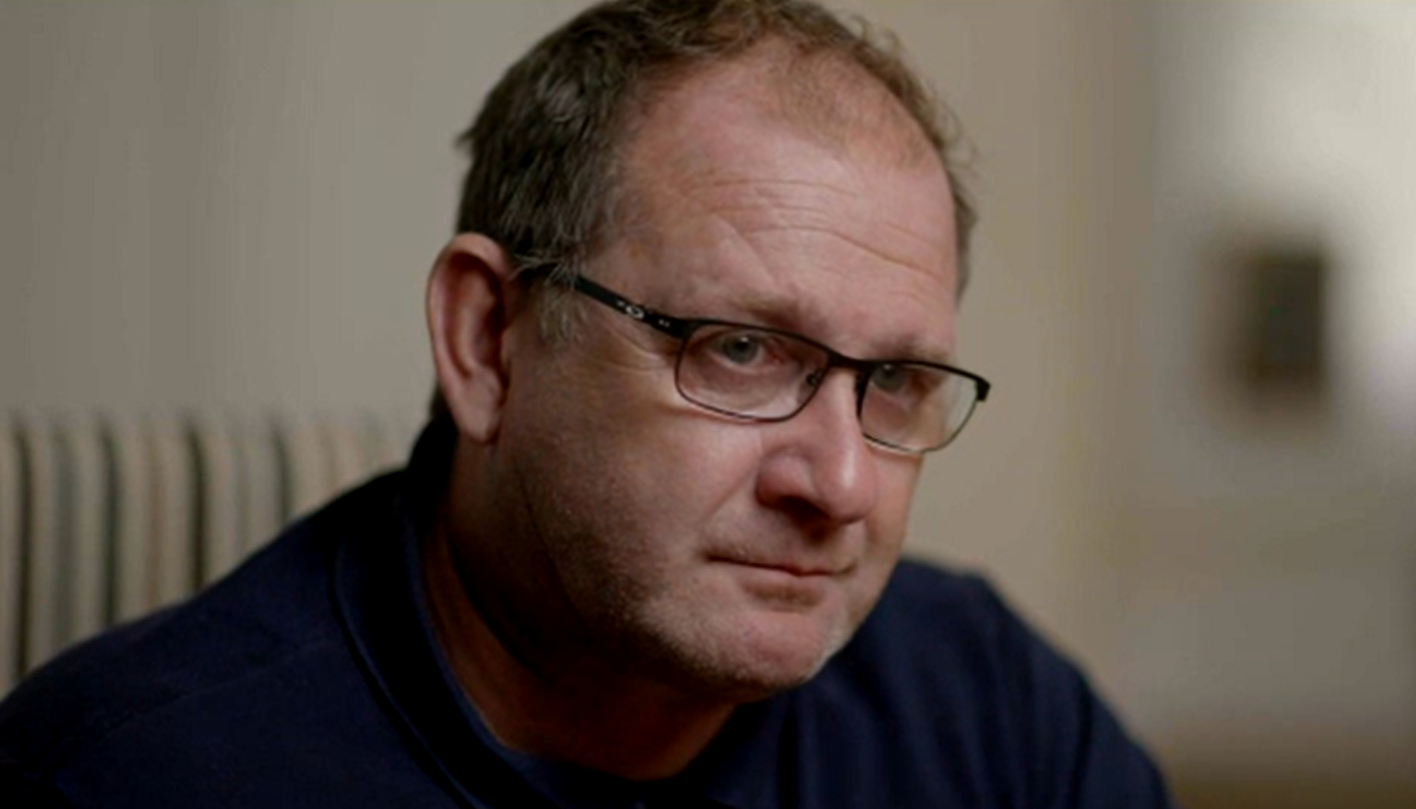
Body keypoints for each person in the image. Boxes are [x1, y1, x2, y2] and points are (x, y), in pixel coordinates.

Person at [0, 1, 1174, 806]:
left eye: (899, 381)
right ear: (487, 341)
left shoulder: (991, 712)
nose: (842, 484)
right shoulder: (128, 774)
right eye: (743, 350)